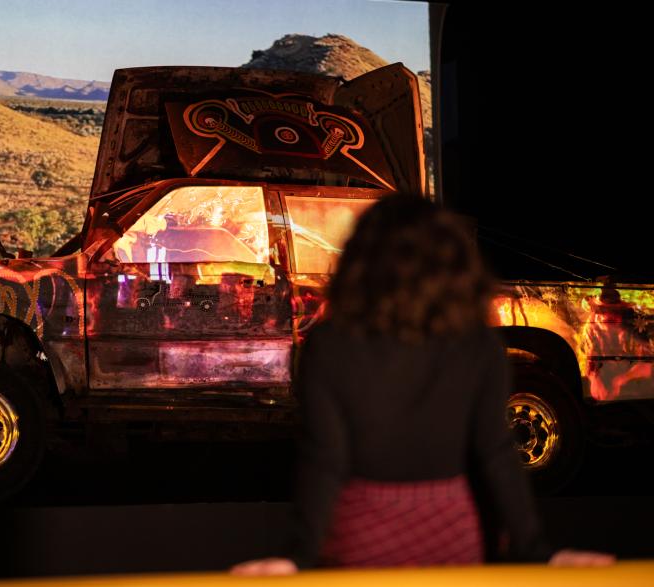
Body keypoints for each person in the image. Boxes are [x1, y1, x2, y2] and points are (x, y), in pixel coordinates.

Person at [231, 193, 614, 575]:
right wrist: (537, 552)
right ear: (451, 264)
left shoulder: (331, 345)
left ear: (362, 262)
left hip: (363, 529)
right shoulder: (478, 346)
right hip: (449, 526)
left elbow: (325, 458)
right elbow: (497, 454)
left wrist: (299, 556)